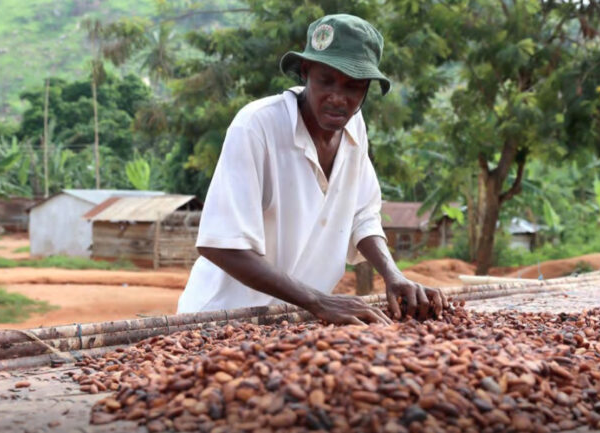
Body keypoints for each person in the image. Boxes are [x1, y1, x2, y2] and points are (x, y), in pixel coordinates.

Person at [177, 14, 448, 324]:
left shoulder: (355, 128)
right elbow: (220, 244)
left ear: (367, 89)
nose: (337, 98)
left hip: (297, 320)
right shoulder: (256, 126)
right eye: (326, 80)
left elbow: (363, 215)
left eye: (354, 86)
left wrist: (393, 273)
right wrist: (318, 300)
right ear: (305, 72)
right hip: (221, 321)